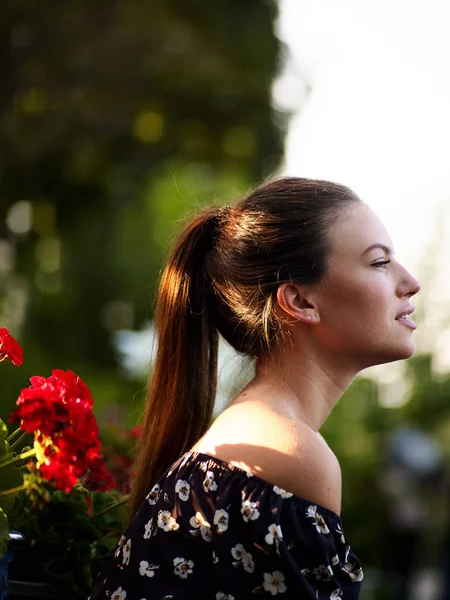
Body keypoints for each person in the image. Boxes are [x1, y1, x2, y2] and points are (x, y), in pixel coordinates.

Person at [89, 177, 420, 600]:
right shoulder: (289, 454)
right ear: (299, 301)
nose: (410, 281)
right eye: (379, 262)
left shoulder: (260, 438)